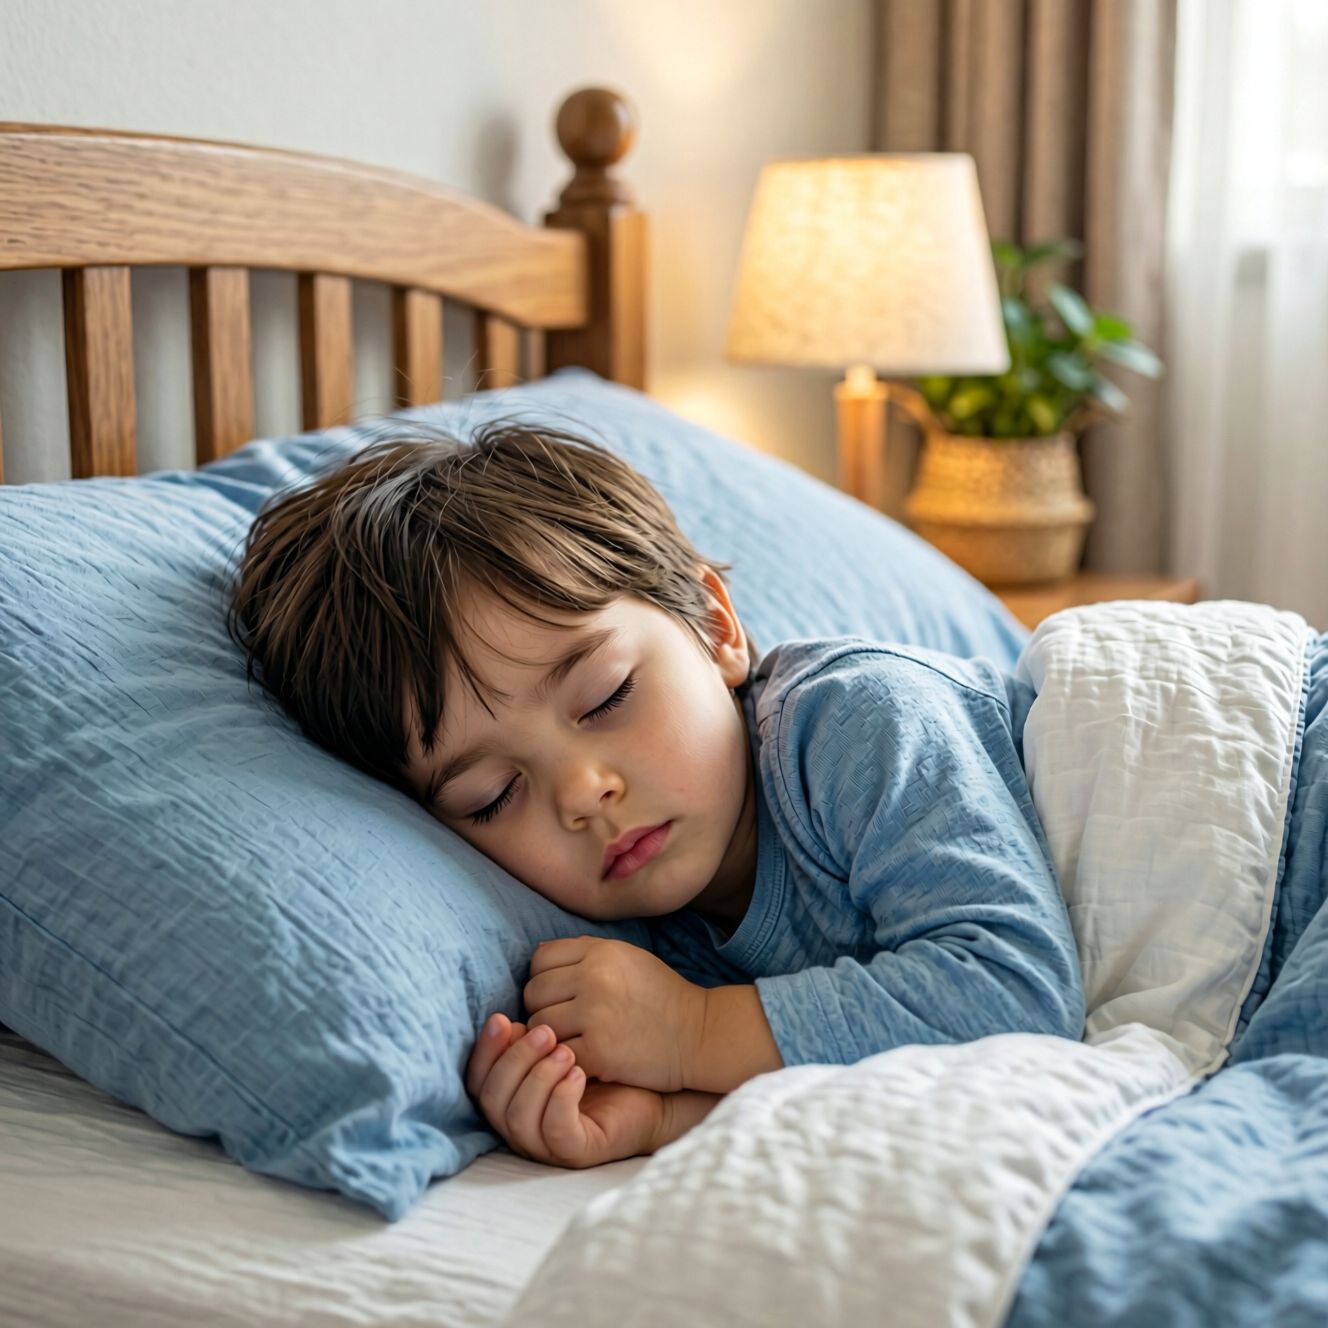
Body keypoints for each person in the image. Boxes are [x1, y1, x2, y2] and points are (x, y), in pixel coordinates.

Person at [228, 420, 1085, 1170]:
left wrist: (693, 1035)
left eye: (604, 697)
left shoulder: (856, 721)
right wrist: (665, 1115)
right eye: (492, 795)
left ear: (715, 628)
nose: (583, 793)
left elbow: (1017, 992)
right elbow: (875, 1064)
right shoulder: (652, 938)